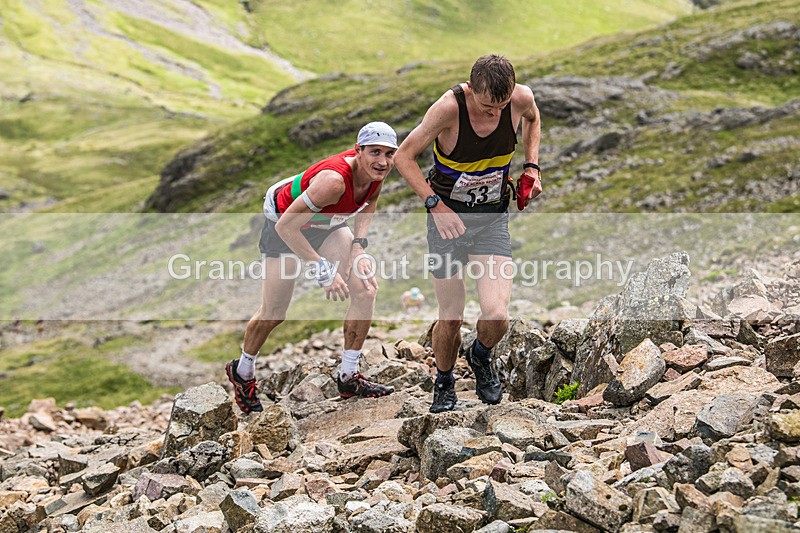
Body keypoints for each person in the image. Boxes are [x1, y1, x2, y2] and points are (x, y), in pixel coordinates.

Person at [394, 54, 542, 413]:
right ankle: (444, 381)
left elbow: (533, 119)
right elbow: (403, 157)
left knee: (497, 315)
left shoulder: (520, 98)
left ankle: (480, 355)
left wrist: (532, 167)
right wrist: (435, 206)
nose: (495, 114)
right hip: (447, 223)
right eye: (488, 107)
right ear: (472, 88)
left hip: (491, 219)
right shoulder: (448, 109)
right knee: (451, 316)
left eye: (502, 107)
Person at [226, 122, 399, 414]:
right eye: (375, 152)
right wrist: (322, 268)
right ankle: (242, 372)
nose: (383, 161)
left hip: (326, 223)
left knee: (366, 288)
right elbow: (286, 227)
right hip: (284, 224)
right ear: (358, 151)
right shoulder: (334, 181)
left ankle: (348, 376)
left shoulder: (376, 172)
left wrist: (359, 248)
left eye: (389, 153)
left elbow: (369, 203)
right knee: (274, 312)